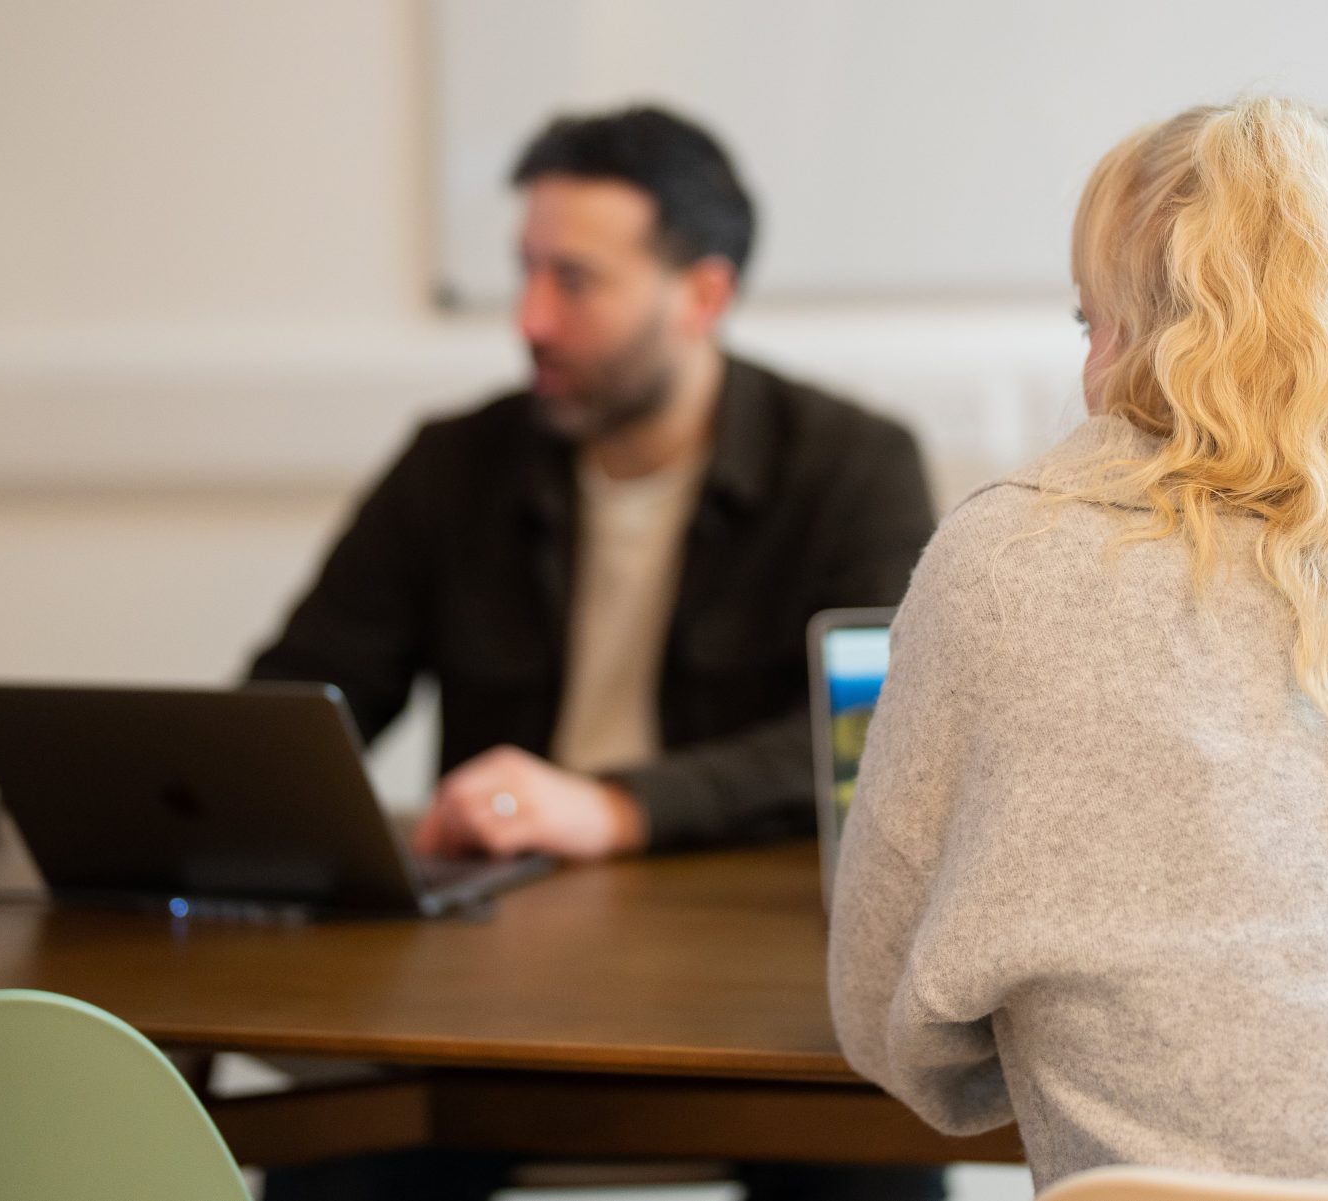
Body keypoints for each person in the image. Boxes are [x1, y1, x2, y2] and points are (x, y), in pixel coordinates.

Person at [828, 97, 1328, 1192]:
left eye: (1095, 322)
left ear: (1167, 342)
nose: (1088, 369)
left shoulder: (1004, 564)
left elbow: (887, 1020)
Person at [248, 104, 945, 1201]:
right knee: (337, 1158)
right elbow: (300, 700)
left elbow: (876, 744)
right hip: (491, 974)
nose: (529, 317)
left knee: (872, 1170)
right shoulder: (453, 465)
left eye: (575, 281)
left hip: (754, 968)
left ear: (702, 294)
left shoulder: (851, 465)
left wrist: (616, 807)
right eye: (525, 271)